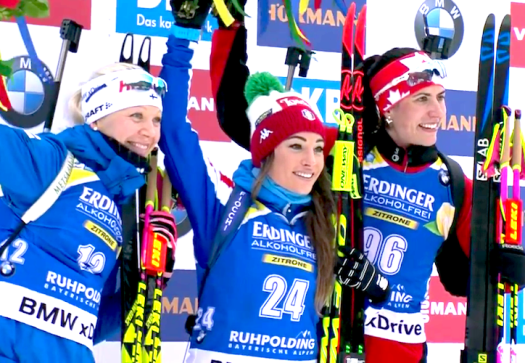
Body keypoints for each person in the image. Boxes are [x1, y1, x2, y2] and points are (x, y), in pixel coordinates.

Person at [208, 12, 475, 363]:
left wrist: (509, 257)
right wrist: (231, 29)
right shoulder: (341, 150)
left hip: (401, 352)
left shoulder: (454, 183)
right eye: (422, 99)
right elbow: (242, 122)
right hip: (324, 342)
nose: (437, 112)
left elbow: (463, 280)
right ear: (388, 107)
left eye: (440, 98)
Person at [157, 3, 391, 362]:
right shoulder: (227, 208)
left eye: (316, 149)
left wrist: (378, 288)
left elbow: (354, 308)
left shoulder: (327, 221)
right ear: (266, 152)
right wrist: (184, 35)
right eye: (295, 146)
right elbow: (173, 132)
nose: (310, 161)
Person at [0, 63, 176, 363]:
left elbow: (88, 325)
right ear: (96, 118)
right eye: (136, 116)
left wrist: (152, 278)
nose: (149, 131)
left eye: (156, 119)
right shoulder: (53, 163)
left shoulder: (125, 211)